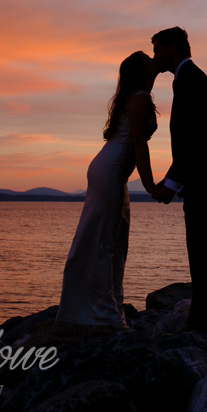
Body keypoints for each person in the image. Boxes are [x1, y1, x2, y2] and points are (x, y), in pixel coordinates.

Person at [56, 51, 159, 328]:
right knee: (104, 242)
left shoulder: (138, 95)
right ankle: (103, 315)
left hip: (112, 171)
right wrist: (150, 185)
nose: (153, 58)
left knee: (114, 241)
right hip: (110, 170)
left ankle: (106, 308)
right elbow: (139, 143)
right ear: (140, 69)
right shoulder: (139, 98)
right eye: (147, 57)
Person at [151, 27, 207, 333]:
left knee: (206, 247)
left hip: (205, 175)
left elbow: (195, 137)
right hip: (205, 174)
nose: (155, 56)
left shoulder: (190, 79)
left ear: (173, 48)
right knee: (206, 247)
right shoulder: (188, 78)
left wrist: (171, 184)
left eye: (158, 50)